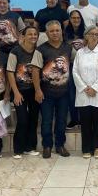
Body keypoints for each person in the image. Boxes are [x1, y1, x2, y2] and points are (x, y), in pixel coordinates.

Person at [31, 20, 72, 158]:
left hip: (64, 93)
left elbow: (78, 63)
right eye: (52, 31)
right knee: (47, 120)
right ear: (47, 33)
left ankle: (60, 145)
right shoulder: (40, 50)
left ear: (61, 31)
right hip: (46, 93)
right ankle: (47, 146)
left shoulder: (68, 48)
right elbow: (35, 71)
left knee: (61, 120)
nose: (55, 33)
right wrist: (37, 90)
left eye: (57, 30)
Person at [73, 26, 98, 159]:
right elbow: (75, 72)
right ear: (86, 36)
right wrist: (84, 88)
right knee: (86, 122)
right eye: (92, 34)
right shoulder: (80, 53)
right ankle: (86, 148)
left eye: (97, 34)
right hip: (83, 94)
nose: (95, 36)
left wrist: (95, 88)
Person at [7, 26, 40, 158]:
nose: (33, 36)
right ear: (23, 36)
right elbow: (10, 72)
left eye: (35, 34)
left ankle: (30, 147)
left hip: (34, 91)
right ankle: (18, 149)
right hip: (19, 91)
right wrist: (15, 92)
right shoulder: (15, 52)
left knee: (33, 119)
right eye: (30, 34)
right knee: (22, 120)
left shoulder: (38, 52)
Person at [64, 9, 86, 130]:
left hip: (84, 67)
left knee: (82, 92)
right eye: (73, 18)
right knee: (71, 94)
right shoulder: (65, 34)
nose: (76, 20)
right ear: (70, 20)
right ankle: (74, 119)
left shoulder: (86, 32)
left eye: (78, 18)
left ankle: (83, 119)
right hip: (71, 66)